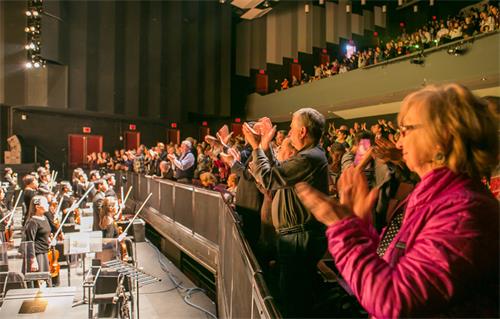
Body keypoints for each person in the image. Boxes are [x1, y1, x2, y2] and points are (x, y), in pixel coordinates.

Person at [296, 83, 499, 317]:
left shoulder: (465, 212)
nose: (399, 142)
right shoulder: (432, 196)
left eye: (406, 130)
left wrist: (344, 230)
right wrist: (359, 227)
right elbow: (392, 262)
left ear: (441, 137)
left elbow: (395, 301)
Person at [243, 109, 329, 318]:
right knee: (293, 296)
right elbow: (278, 172)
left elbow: (270, 178)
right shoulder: (307, 156)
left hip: (300, 237)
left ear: (302, 132)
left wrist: (256, 146)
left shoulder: (309, 157)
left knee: (295, 301)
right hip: (296, 235)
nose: (288, 132)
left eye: (291, 128)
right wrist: (264, 144)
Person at [22, 196, 51, 277]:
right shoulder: (32, 222)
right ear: (37, 207)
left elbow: (44, 232)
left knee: (45, 280)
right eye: (45, 203)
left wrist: (48, 238)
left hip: (44, 252)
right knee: (39, 280)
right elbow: (29, 241)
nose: (48, 205)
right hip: (37, 255)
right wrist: (33, 260)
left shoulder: (44, 218)